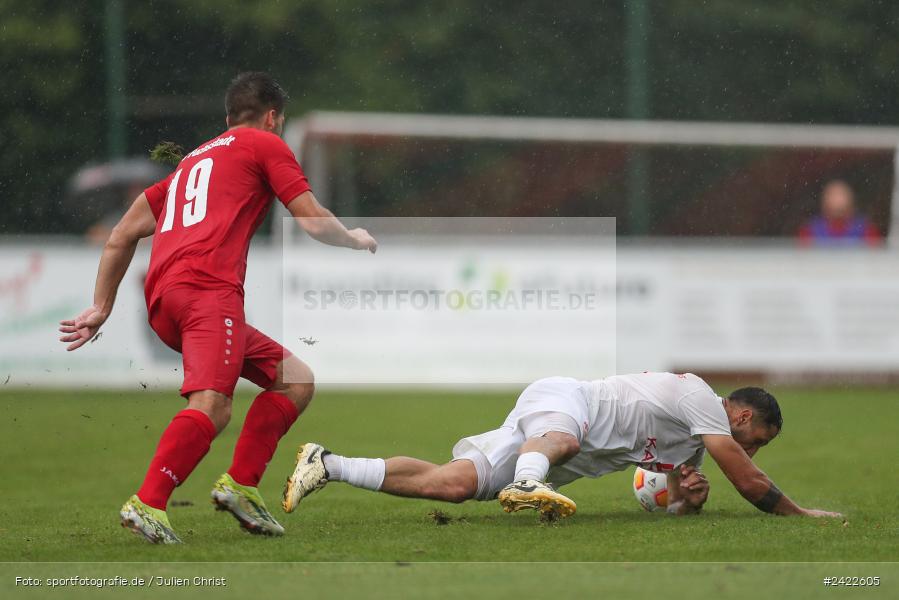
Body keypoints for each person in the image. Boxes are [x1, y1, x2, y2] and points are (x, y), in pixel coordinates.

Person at [58, 72, 378, 544]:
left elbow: (121, 234)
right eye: (280, 121)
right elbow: (311, 220)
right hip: (208, 292)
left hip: (167, 299)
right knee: (212, 404)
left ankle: (242, 486)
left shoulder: (190, 163)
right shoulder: (265, 144)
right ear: (273, 118)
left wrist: (100, 307)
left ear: (228, 119)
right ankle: (148, 502)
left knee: (295, 380)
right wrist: (351, 238)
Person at [283, 373, 842, 519]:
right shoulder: (699, 396)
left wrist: (687, 500)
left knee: (452, 485)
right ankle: (529, 483)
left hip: (545, 438)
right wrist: (799, 512)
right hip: (566, 403)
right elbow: (748, 481)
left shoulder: (691, 450)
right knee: (569, 443)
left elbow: (663, 501)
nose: (752, 453)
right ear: (740, 415)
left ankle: (327, 463)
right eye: (754, 440)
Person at [798, 179, 881, 246]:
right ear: (824, 201)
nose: (837, 200)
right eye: (832, 195)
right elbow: (801, 261)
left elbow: (875, 261)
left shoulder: (866, 230)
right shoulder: (810, 231)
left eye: (841, 195)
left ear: (851, 199)